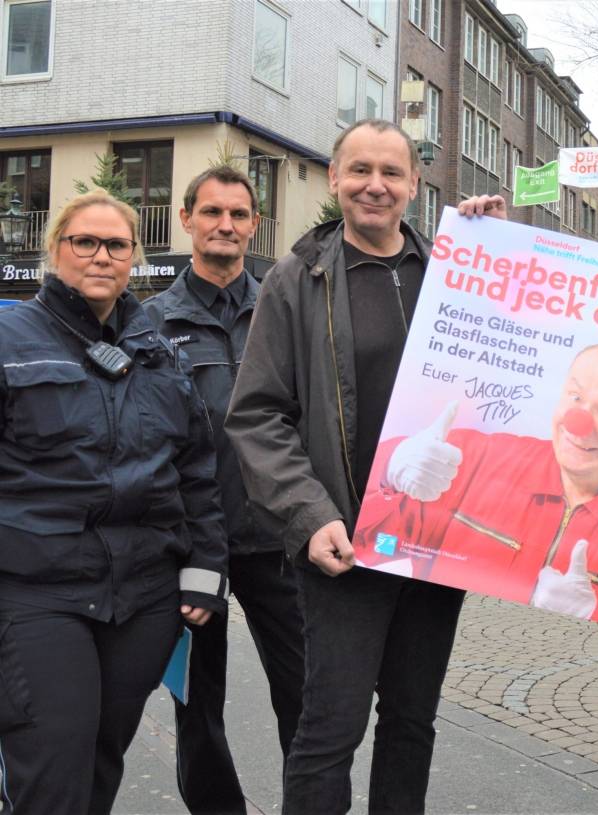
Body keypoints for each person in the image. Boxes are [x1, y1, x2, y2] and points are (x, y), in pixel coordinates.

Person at [226, 118, 504, 815]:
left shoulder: (454, 271)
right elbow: (257, 415)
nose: (374, 185)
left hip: (435, 548)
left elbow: (520, 360)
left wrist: (495, 246)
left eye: (391, 172)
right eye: (359, 170)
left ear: (415, 185)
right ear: (334, 178)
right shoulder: (296, 280)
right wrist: (308, 514)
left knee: (412, 722)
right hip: (344, 546)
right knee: (329, 730)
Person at [0, 189, 228, 814]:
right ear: (56, 250)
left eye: (117, 245)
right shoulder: (9, 338)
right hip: (37, 589)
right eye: (85, 242)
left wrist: (206, 569)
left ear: (135, 256)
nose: (101, 256)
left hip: (143, 595)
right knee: (54, 763)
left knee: (102, 759)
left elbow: (195, 467)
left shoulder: (156, 347)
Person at [144, 166, 305, 814]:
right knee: (198, 703)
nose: (225, 225)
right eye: (212, 212)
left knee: (307, 696)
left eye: (239, 214)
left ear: (254, 225)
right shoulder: (151, 322)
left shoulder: (283, 311)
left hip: (278, 538)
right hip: (192, 549)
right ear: (187, 219)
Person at [352, 341, 598, 622]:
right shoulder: (468, 459)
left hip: (566, 678)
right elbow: (367, 544)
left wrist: (588, 615)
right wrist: (388, 473)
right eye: (576, 397)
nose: (578, 424)